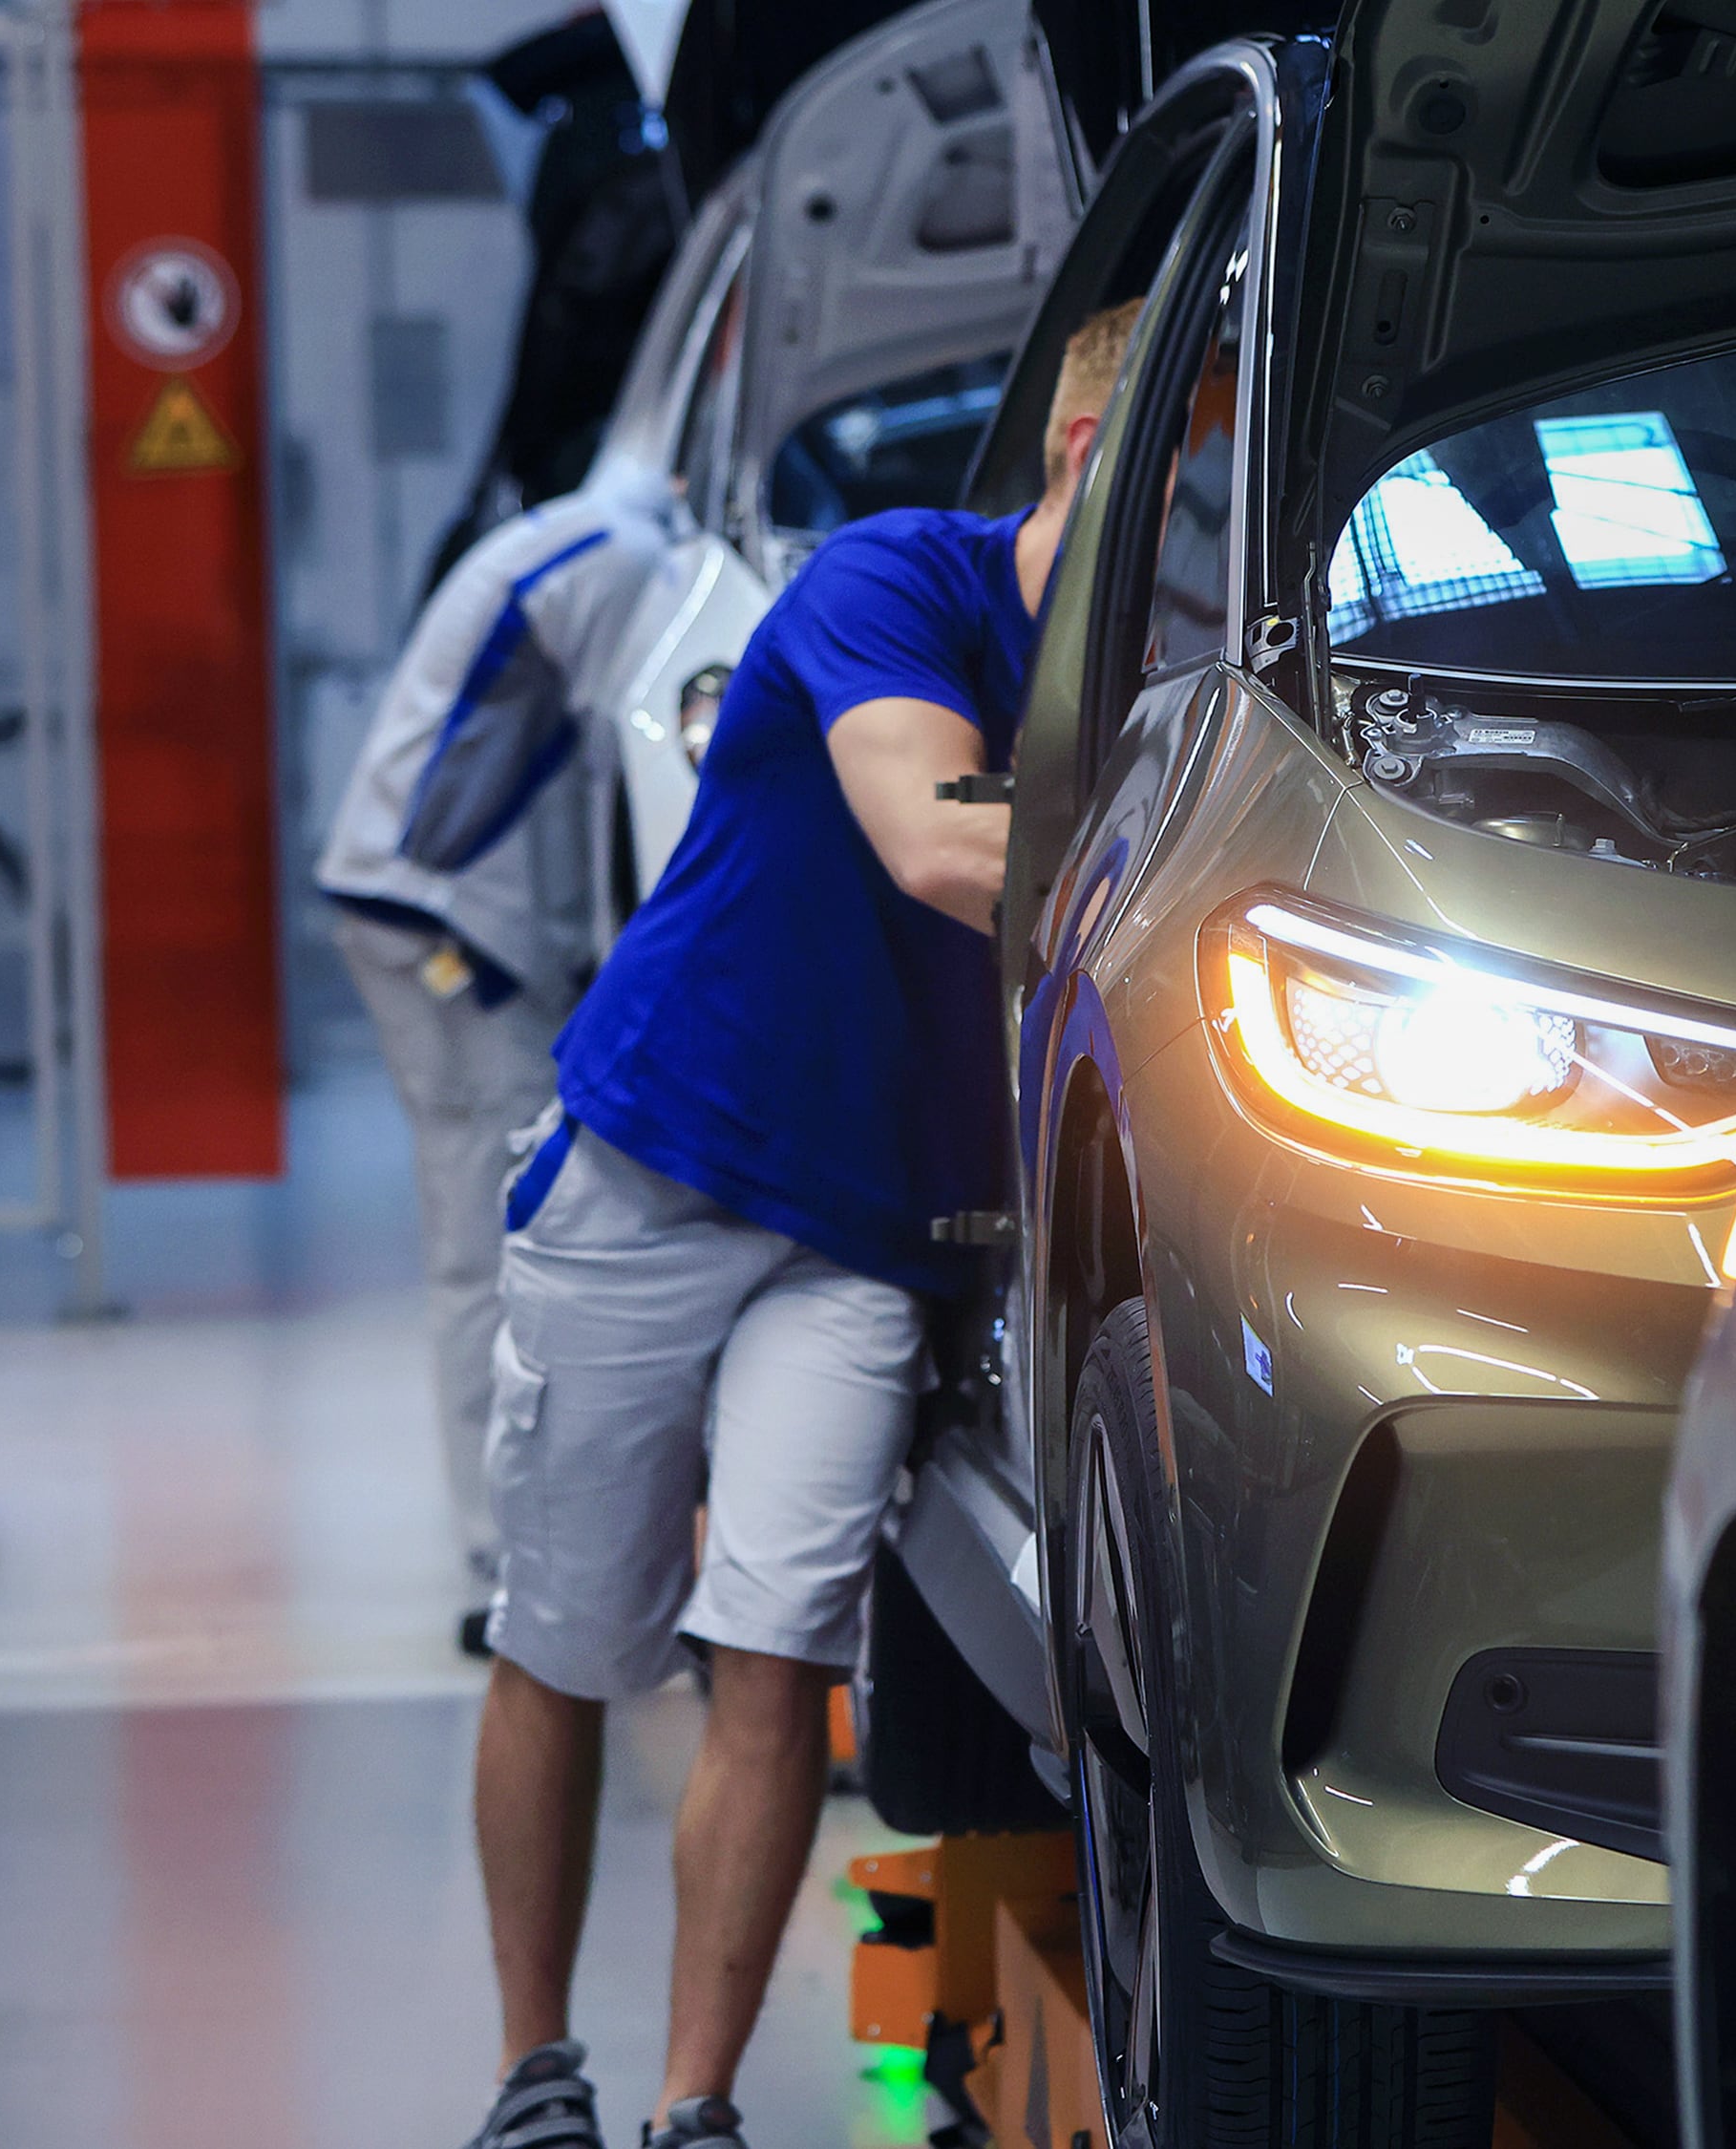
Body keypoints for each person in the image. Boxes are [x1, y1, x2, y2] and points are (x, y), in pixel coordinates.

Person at [456, 299, 1138, 2149]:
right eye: (1184, 488)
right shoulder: (887, 584)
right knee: (569, 1634)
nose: (1201, 550)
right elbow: (934, 837)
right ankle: (537, 2073)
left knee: (777, 1653)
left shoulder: (1187, 672)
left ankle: (691, 2109)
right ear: (1089, 454)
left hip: (867, 1233)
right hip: (660, 1159)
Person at [318, 457, 676, 1618]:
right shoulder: (621, 562)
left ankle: (525, 1545)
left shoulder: (573, 537)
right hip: (441, 925)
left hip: (426, 905)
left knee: (494, 1231)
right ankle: (506, 1564)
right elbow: (638, 758)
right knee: (488, 1241)